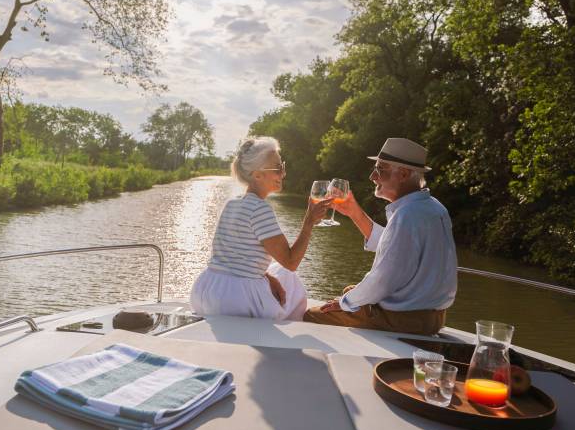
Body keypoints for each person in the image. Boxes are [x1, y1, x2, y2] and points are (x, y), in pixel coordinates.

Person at [304, 137, 457, 335]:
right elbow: (394, 247)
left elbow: (383, 281)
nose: (372, 176)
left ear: (403, 174)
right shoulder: (434, 208)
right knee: (351, 291)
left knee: (312, 316)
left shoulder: (407, 215)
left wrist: (343, 304)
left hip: (403, 320)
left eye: (380, 169)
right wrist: (354, 212)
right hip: (432, 317)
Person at [190, 136, 331, 320]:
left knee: (283, 275)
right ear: (257, 175)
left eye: (283, 166)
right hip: (236, 300)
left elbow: (234, 258)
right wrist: (309, 222)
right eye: (278, 169)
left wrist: (267, 277)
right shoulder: (259, 208)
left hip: (207, 290)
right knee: (291, 281)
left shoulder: (232, 203)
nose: (283, 174)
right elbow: (291, 262)